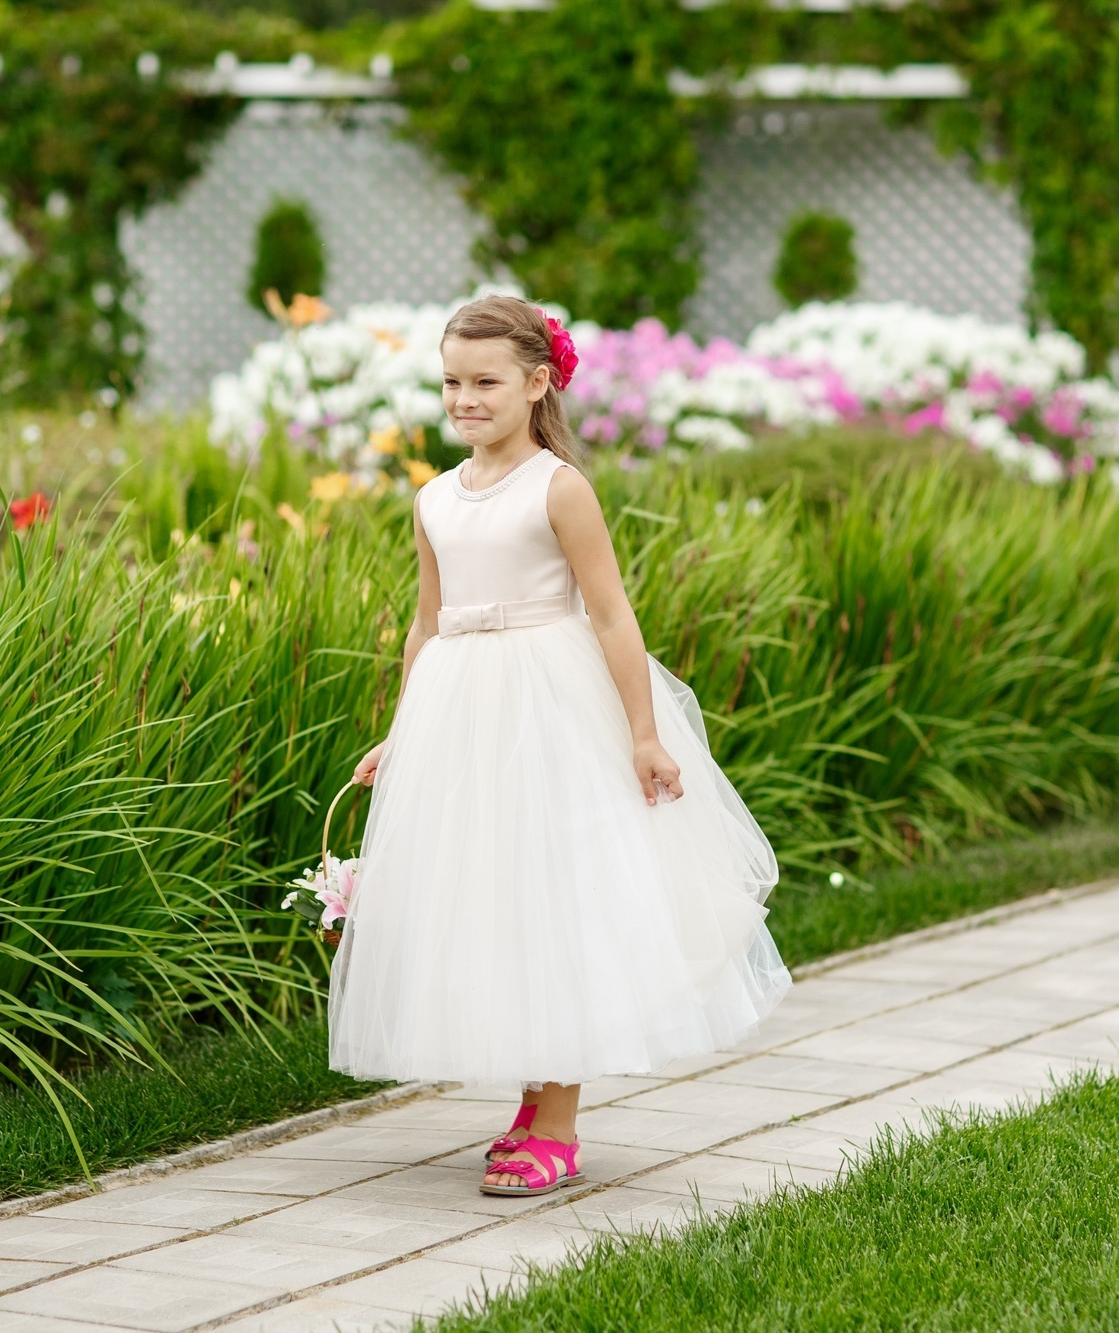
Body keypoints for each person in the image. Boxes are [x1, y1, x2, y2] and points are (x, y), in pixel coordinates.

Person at [328, 294, 790, 1197]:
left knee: (560, 891)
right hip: (462, 708)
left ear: (538, 383)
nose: (465, 398)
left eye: (486, 381)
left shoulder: (559, 488)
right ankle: (532, 1103)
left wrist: (646, 736)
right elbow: (425, 626)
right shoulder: (433, 499)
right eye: (452, 381)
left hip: (551, 701)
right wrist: (400, 731)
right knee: (497, 896)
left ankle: (561, 1120)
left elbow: (612, 615)